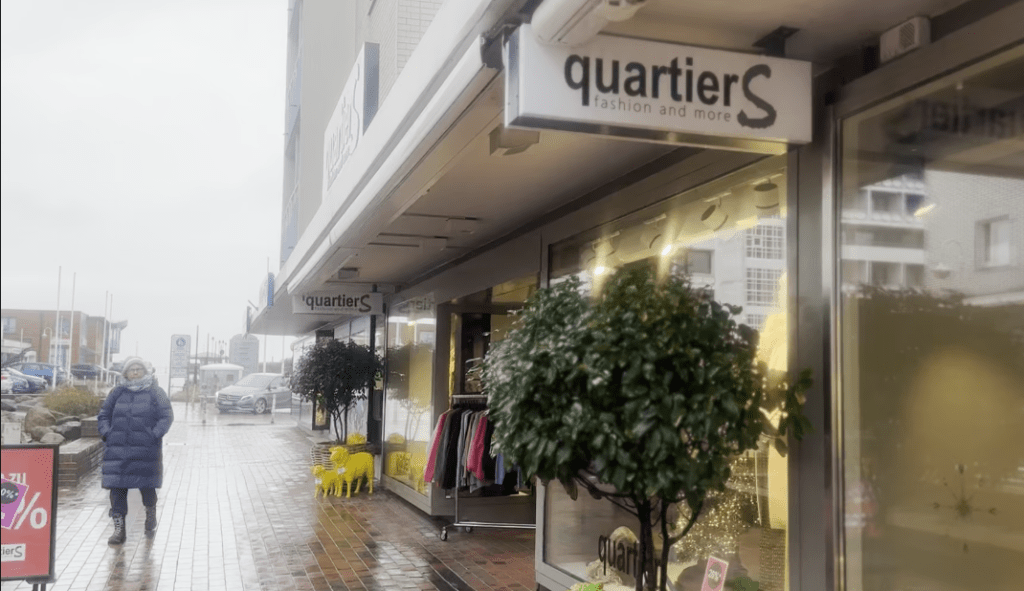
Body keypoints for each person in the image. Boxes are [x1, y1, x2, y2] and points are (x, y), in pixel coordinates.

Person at [97, 356, 174, 545]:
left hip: (145, 450)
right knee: (117, 488)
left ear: (146, 372)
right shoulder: (117, 392)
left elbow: (166, 415)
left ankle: (150, 512)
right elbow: (104, 414)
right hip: (117, 450)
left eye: (139, 369)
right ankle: (119, 529)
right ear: (126, 373)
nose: (136, 372)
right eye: (132, 369)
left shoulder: (155, 392)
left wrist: (154, 434)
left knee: (147, 487)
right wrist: (107, 433)